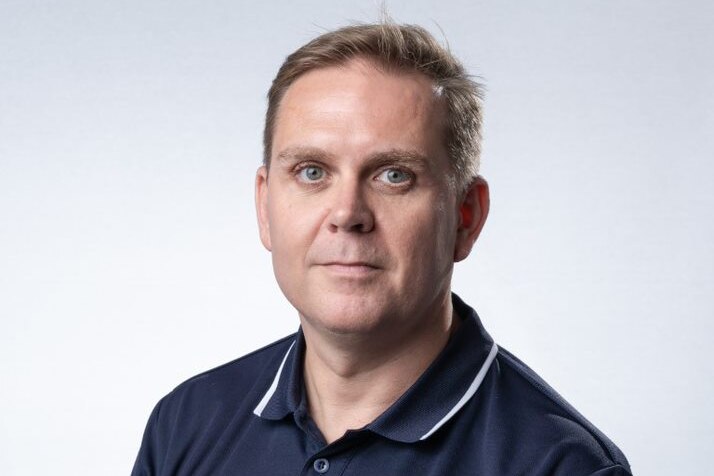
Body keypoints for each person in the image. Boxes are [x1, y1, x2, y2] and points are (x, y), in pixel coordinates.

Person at [132, 21, 632, 475]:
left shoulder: (562, 465)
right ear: (265, 207)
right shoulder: (185, 423)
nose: (348, 213)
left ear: (466, 217)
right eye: (312, 172)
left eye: (395, 175)